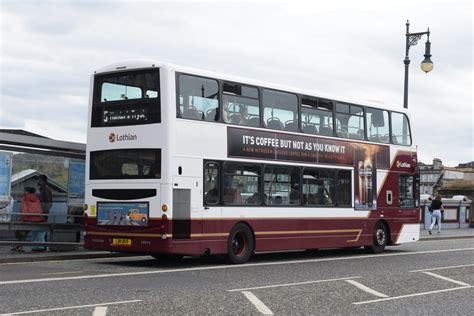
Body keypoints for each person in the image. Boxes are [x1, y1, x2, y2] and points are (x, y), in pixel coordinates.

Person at [13, 187, 44, 252]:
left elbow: (24, 209)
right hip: (37, 219)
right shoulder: (37, 198)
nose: (23, 192)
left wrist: (22, 219)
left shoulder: (25, 198)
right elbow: (40, 209)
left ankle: (19, 247)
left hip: (28, 218)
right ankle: (18, 246)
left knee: (21, 232)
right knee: (24, 232)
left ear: (27, 191)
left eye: (24, 191)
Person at [37, 175, 52, 250]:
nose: (38, 182)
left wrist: (43, 210)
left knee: (43, 228)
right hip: (42, 212)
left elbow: (49, 203)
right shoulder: (42, 189)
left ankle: (43, 245)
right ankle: (42, 245)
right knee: (42, 228)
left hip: (43, 212)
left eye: (39, 180)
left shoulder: (46, 190)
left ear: (43, 181)